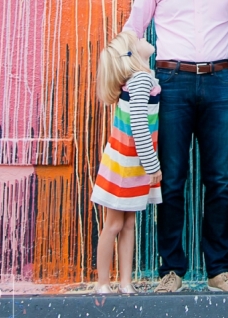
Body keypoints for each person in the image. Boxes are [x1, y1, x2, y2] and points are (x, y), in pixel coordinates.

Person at [122, 0, 228, 293]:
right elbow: (133, 29)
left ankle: (220, 271)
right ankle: (171, 270)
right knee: (171, 180)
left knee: (221, 179)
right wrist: (132, 73)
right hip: (171, 83)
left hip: (218, 80)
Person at [90, 30, 163, 294]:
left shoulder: (138, 80)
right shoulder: (142, 80)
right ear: (132, 55)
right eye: (138, 40)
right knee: (115, 224)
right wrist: (153, 165)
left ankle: (123, 282)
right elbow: (140, 127)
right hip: (128, 166)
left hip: (126, 164)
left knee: (125, 223)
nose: (144, 37)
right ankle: (104, 283)